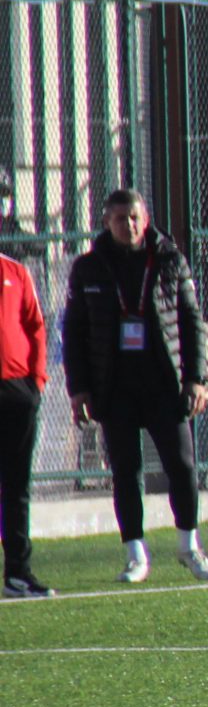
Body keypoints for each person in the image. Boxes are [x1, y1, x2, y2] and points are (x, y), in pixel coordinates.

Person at [62, 189, 208, 584]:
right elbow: (74, 332)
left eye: (134, 217)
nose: (128, 225)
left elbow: (190, 320)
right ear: (106, 222)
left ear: (145, 219)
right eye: (119, 219)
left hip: (164, 384)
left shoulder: (168, 259)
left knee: (181, 466)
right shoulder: (89, 268)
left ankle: (189, 546)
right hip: (114, 387)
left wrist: (196, 377)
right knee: (126, 471)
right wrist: (79, 388)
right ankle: (135, 553)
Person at [1, 240, 49, 597]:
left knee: (17, 485)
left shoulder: (15, 272)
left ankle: (18, 571)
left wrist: (36, 383)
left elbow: (35, 326)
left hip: (17, 391)